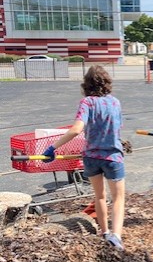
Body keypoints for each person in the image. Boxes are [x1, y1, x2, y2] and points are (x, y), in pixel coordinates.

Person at [42, 65, 125, 250]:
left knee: (100, 196)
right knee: (118, 198)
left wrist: (52, 147)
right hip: (112, 156)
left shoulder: (87, 103)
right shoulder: (115, 103)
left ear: (86, 84)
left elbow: (77, 129)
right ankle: (116, 236)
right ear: (107, 83)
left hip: (91, 157)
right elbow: (116, 128)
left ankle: (104, 232)